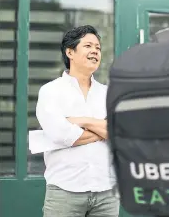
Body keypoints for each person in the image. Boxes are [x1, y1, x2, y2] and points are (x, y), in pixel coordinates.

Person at [36, 25, 119, 217]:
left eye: (98, 48)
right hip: (65, 192)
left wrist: (82, 121)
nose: (95, 51)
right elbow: (61, 134)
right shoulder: (51, 91)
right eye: (88, 46)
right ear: (70, 52)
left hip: (106, 191)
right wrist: (102, 129)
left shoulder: (108, 94)